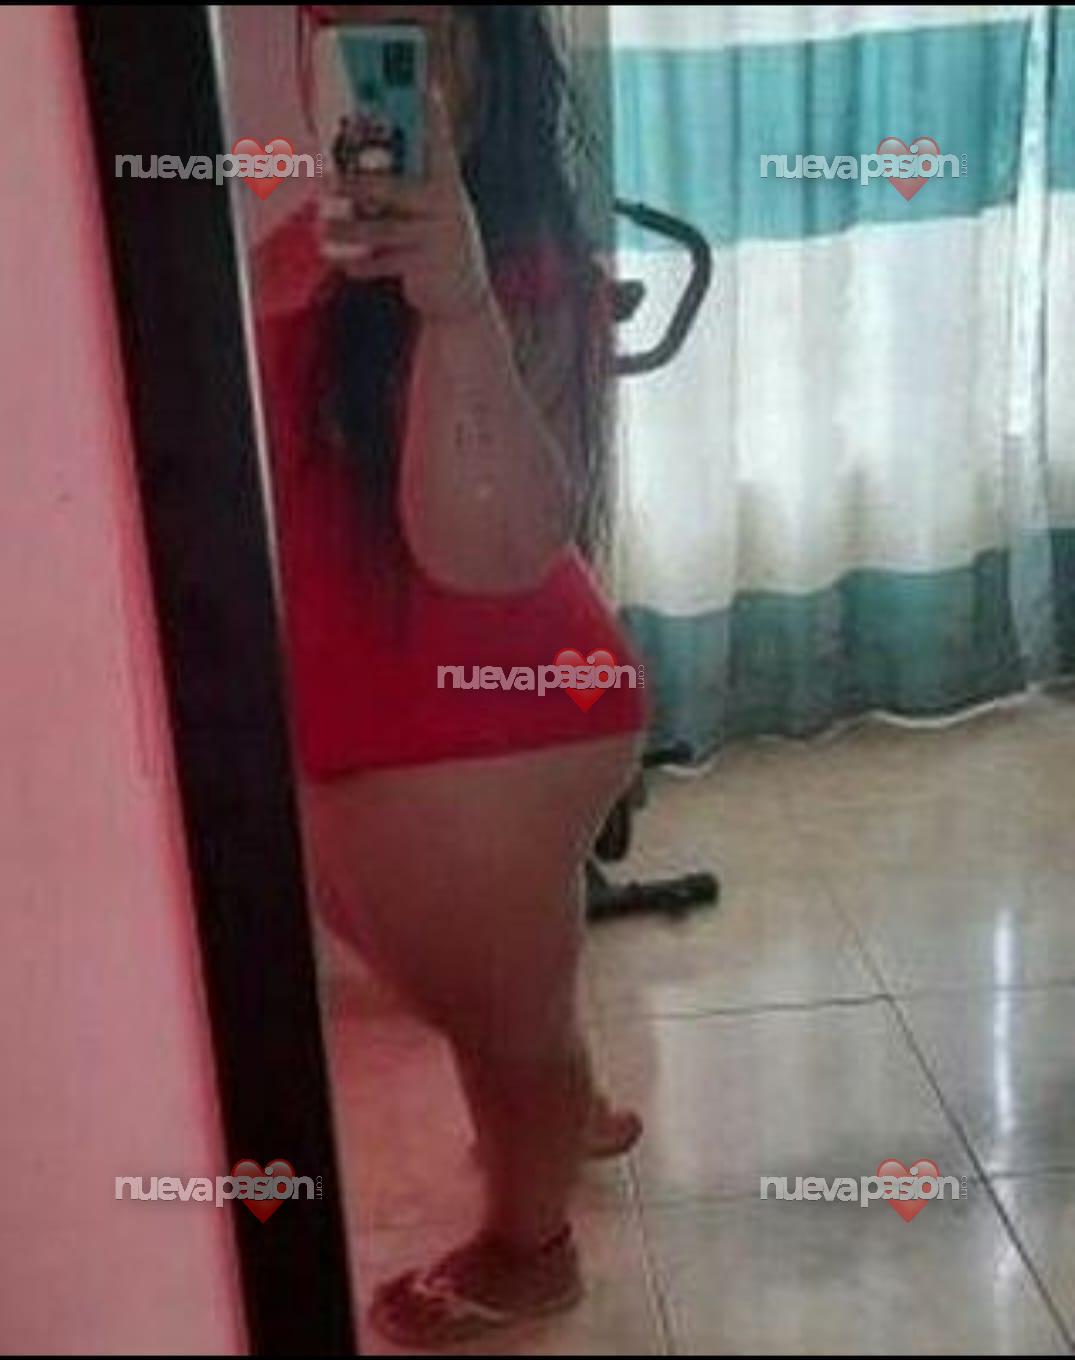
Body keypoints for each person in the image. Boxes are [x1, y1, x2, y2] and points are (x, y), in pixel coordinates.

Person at [252, 5, 646, 1347]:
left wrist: (458, 301)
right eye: (347, 28)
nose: (387, 67)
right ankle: (564, 1095)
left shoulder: (514, 265)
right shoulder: (317, 237)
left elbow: (491, 551)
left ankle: (529, 1250)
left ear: (490, 55)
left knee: (495, 1022)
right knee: (500, 972)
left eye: (424, 32)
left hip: (481, 722)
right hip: (444, 713)